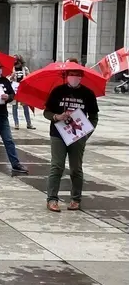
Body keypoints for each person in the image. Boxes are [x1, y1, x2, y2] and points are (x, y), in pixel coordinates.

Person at [43, 61, 100, 212]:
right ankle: (52, 199)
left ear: (81, 76)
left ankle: (76, 199)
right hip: (58, 134)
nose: (74, 77)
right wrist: (57, 116)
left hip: (78, 135)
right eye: (71, 74)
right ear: (66, 75)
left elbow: (94, 116)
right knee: (57, 166)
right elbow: (46, 112)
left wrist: (87, 133)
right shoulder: (57, 91)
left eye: (77, 75)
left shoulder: (88, 94)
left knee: (76, 168)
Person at [11, 56, 36, 130]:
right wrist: (11, 77)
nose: (16, 64)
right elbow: (8, 78)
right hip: (14, 89)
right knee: (14, 107)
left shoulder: (25, 69)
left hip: (22, 89)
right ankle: (16, 124)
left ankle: (29, 123)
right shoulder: (11, 69)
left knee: (25, 107)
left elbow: (29, 77)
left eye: (17, 62)